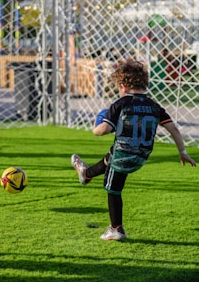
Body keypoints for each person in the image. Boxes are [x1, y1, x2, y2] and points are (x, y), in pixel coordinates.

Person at [71, 58, 197, 241]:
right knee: (113, 155)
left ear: (122, 85)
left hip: (122, 156)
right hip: (142, 157)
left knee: (113, 188)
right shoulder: (155, 106)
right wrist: (183, 152)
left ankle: (116, 229)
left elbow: (102, 130)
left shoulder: (120, 104)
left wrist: (96, 126)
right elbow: (174, 130)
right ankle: (86, 174)